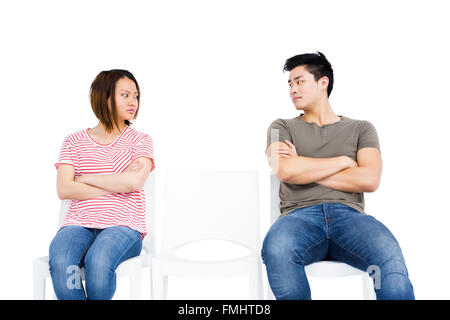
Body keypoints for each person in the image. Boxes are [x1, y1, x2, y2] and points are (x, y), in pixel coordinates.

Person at [262, 52, 414, 300]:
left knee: (390, 258)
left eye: (299, 81)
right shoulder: (280, 127)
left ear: (323, 82)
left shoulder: (361, 129)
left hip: (350, 218)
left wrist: (304, 168)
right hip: (298, 217)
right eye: (290, 84)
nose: (292, 89)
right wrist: (343, 162)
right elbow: (284, 170)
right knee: (277, 249)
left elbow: (369, 179)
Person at [49, 69, 155, 300]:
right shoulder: (74, 141)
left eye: (136, 96)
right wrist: (118, 182)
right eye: (125, 95)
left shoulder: (140, 140)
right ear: (104, 97)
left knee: (98, 262)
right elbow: (65, 189)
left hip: (124, 226)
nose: (133, 102)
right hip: (78, 224)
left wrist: (85, 177)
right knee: (61, 263)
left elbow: (134, 182)